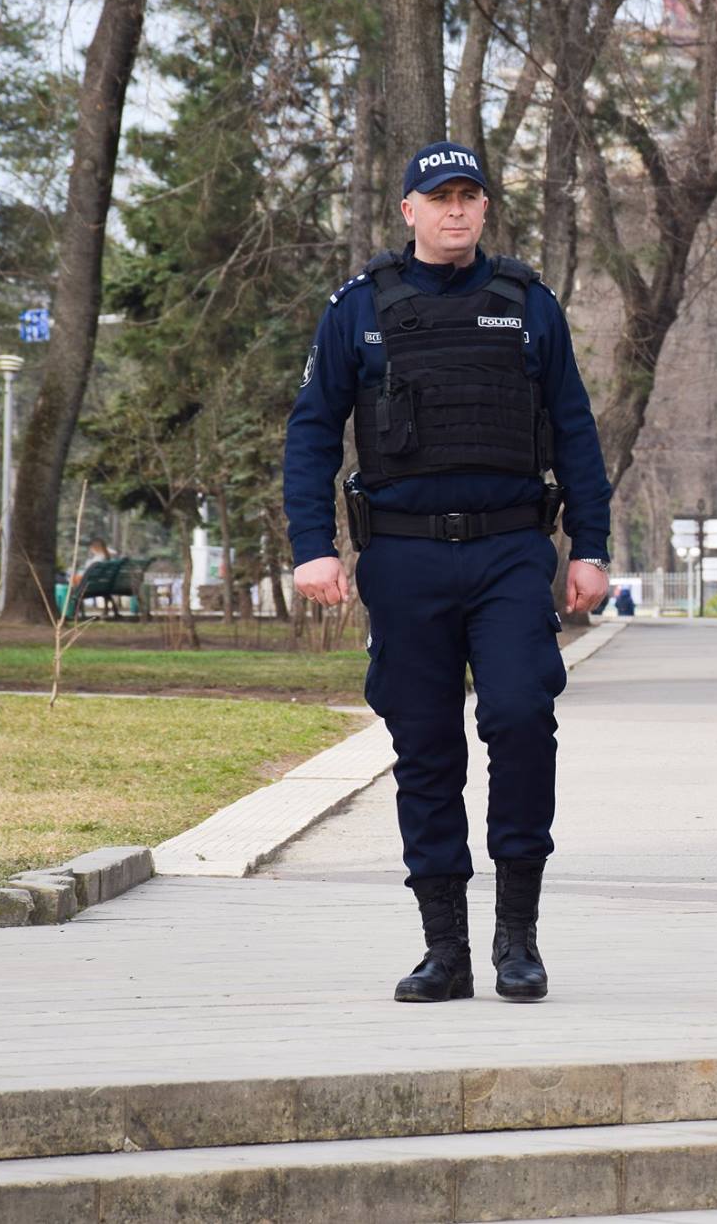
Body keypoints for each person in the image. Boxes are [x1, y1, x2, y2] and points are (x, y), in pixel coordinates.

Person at [284, 140, 613, 1005]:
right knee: (425, 747)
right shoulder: (359, 308)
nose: (457, 210)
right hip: (404, 554)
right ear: (410, 210)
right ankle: (445, 948)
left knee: (519, 717)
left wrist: (590, 547)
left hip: (510, 551)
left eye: (470, 196)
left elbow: (575, 431)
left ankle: (518, 938)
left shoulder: (528, 304)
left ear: (484, 208)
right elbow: (313, 430)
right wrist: (311, 546)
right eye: (440, 196)